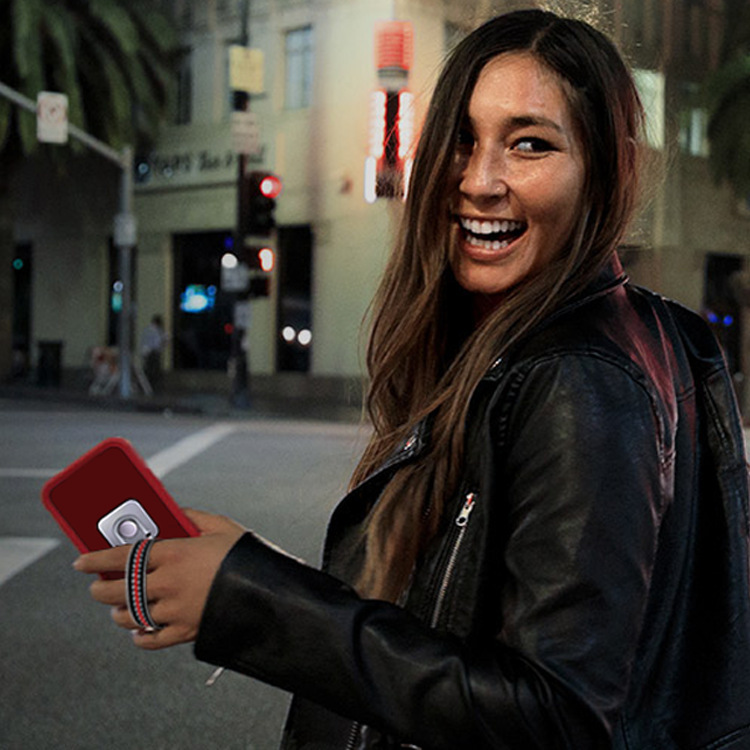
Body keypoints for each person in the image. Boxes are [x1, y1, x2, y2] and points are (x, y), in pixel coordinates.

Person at [73, 9, 750, 749]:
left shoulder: (574, 378)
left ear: (611, 168)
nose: (479, 180)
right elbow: (475, 617)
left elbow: (552, 718)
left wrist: (253, 604)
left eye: (530, 144)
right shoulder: (544, 344)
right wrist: (260, 572)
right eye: (461, 139)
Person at [140, 314, 168, 393]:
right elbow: (157, 343)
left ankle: (147, 386)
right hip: (152, 353)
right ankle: (152, 387)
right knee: (154, 371)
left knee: (149, 369)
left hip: (147, 352)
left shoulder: (148, 329)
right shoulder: (154, 330)